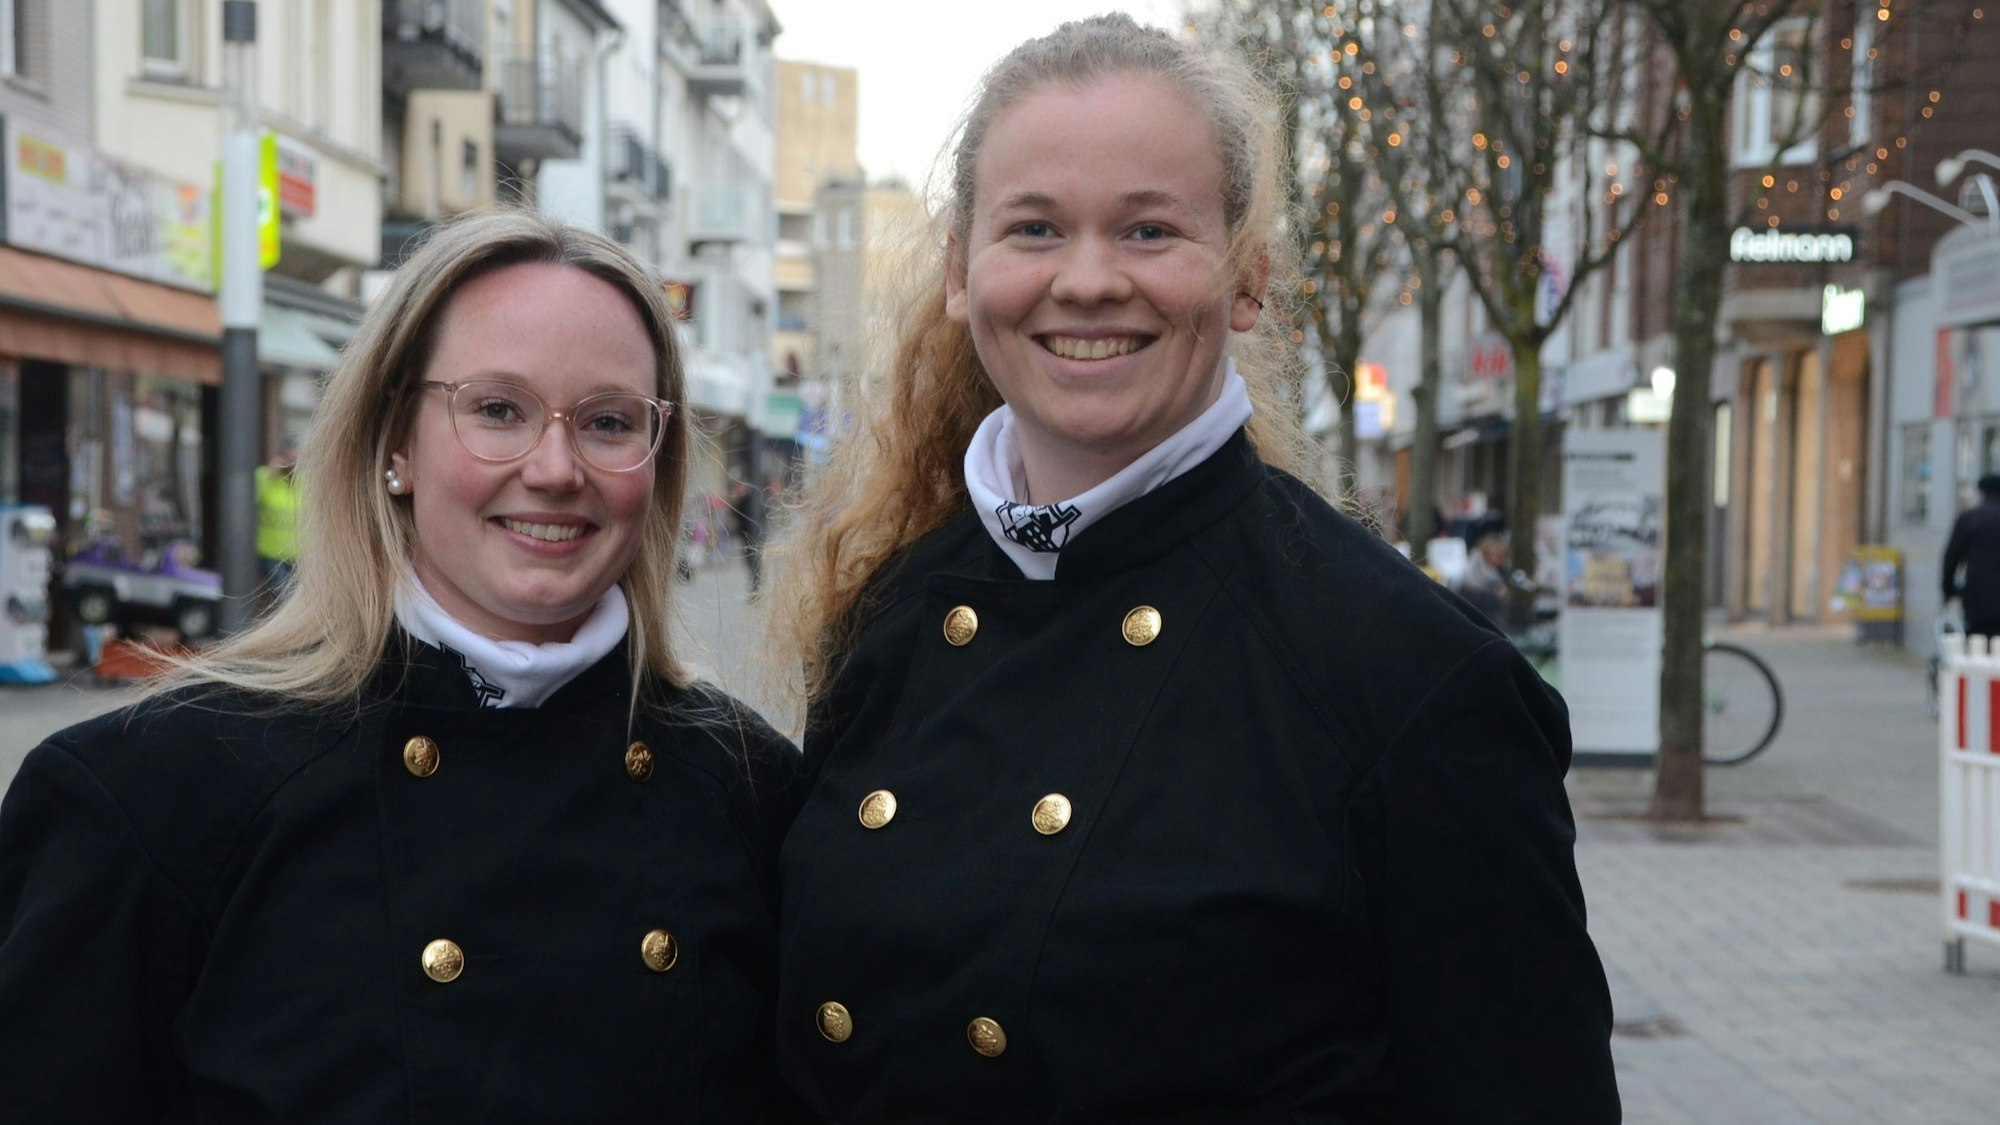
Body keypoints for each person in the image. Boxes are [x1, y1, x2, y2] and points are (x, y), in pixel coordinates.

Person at [766, 15, 1619, 1122]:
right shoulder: (889, 609)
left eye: (1148, 231)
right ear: (957, 276)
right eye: (1032, 228)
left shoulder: (1407, 678)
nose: (1085, 280)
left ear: (1248, 277)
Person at [0, 210, 802, 1122]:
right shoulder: (151, 792)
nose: (554, 467)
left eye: (609, 422)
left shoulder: (749, 787)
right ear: (395, 444)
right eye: (497, 408)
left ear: (656, 463)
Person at [1943, 473, 2000, 637]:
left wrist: (1948, 589)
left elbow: (1951, 558)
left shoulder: (1970, 519)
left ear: (1982, 493)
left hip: (1978, 598)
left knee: (1978, 647)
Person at [255, 441, 301, 600]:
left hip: (298, 555)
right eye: (289, 458)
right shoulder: (265, 477)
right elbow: (249, 502)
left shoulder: (304, 481)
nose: (292, 463)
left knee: (296, 598)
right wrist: (270, 474)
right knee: (282, 597)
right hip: (271, 552)